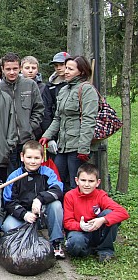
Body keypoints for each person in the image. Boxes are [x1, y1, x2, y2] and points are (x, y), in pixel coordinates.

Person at [40, 56, 98, 190]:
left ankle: (77, 211)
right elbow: (58, 118)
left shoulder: (87, 90)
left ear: (81, 72)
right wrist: (47, 135)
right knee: (57, 180)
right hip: (63, 145)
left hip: (77, 147)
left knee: (75, 184)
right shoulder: (64, 90)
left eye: (70, 69)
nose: (66, 71)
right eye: (66, 68)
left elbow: (89, 120)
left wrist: (83, 148)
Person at [2, 140, 65, 259]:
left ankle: (56, 243)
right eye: (29, 157)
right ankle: (26, 243)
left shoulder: (48, 173)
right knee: (7, 227)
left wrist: (40, 199)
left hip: (42, 213)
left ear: (42, 158)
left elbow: (58, 190)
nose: (32, 161)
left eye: (36, 157)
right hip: (22, 215)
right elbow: (8, 201)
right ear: (22, 157)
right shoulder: (14, 176)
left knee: (56, 205)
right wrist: (24, 214)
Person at [64, 163, 129, 262]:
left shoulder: (100, 195)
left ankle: (105, 250)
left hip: (96, 231)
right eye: (83, 180)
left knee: (109, 213)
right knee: (75, 244)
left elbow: (123, 212)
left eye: (91, 181)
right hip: (79, 231)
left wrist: (103, 220)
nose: (86, 184)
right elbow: (67, 222)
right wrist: (80, 226)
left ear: (97, 183)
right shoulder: (70, 196)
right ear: (77, 181)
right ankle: (89, 250)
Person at [0, 52, 44, 174]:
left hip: (27, 139)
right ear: (2, 69)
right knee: (11, 176)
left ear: (19, 68)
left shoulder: (30, 84)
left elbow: (39, 109)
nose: (12, 72)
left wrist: (30, 127)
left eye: (15, 68)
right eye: (8, 69)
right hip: (7, 142)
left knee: (29, 173)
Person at [20, 56, 54, 137]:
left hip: (38, 130)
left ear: (37, 69)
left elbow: (46, 110)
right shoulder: (16, 86)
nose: (30, 71)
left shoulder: (43, 87)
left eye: (33, 68)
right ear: (21, 69)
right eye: (27, 68)